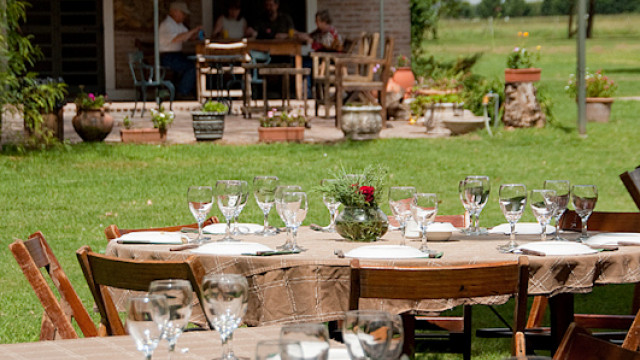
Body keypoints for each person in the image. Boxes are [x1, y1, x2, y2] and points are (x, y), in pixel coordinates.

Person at [159, 1, 202, 99]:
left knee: (196, 63)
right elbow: (177, 38)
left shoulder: (178, 25)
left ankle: (191, 91)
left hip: (177, 55)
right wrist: (193, 31)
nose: (184, 16)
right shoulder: (167, 24)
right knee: (191, 67)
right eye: (182, 13)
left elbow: (187, 36)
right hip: (167, 57)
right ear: (174, 11)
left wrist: (196, 34)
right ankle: (182, 93)